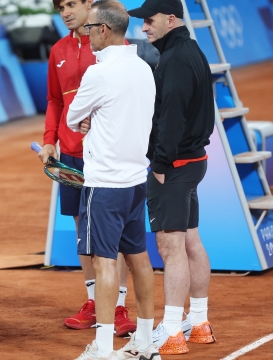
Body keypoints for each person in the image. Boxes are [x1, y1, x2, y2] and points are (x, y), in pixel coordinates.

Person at [65, 1, 159, 359]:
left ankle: (103, 349)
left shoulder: (98, 74)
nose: (84, 34)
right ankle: (146, 343)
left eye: (89, 28)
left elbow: (74, 119)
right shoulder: (143, 67)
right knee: (139, 260)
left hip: (104, 186)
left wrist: (89, 120)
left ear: (104, 30)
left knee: (105, 264)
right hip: (137, 182)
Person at [38, 0, 135, 337]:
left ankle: (119, 305)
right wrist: (50, 140)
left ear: (88, 4)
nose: (65, 11)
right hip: (71, 155)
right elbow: (54, 100)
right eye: (60, 6)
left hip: (107, 154)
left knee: (113, 233)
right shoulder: (58, 50)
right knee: (84, 230)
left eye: (71, 3)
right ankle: (94, 301)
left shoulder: (109, 45)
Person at [128, 0, 216, 355]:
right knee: (191, 243)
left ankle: (172, 331)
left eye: (149, 21)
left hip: (175, 167)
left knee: (171, 247)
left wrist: (160, 165)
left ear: (170, 19)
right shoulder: (188, 50)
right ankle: (198, 322)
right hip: (192, 163)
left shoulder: (176, 59)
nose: (144, 28)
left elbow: (172, 118)